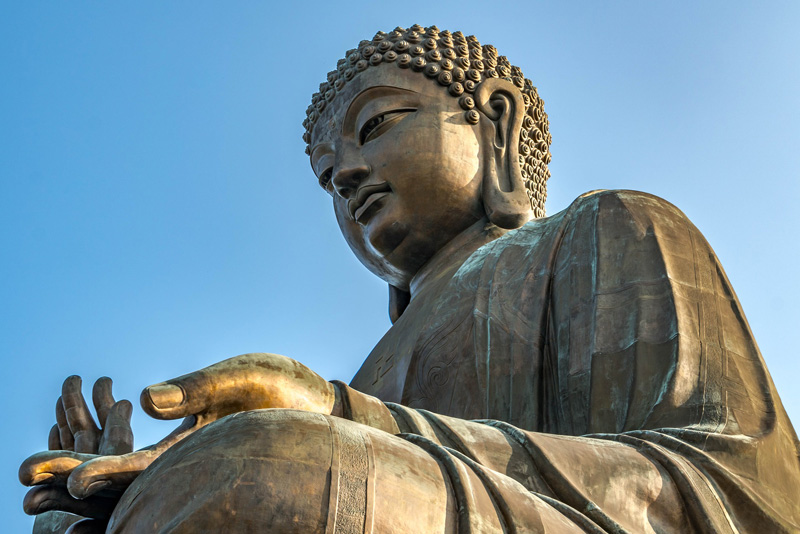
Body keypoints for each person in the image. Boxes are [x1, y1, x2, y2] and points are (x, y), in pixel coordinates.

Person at [20, 25, 800, 533]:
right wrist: (101, 509)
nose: (350, 175)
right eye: (328, 177)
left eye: (377, 126)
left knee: (263, 464)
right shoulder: (368, 374)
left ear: (497, 123)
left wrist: (339, 417)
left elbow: (741, 496)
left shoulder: (609, 230)